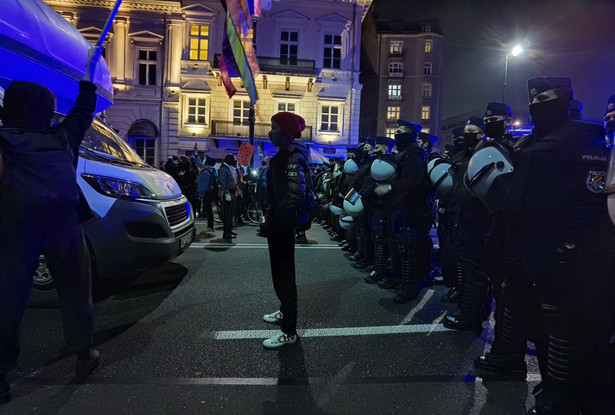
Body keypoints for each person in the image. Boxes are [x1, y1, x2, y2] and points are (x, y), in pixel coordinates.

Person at [491, 77, 615, 414]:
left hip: (559, 253)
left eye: (545, 99)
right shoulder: (531, 142)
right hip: (524, 251)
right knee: (538, 328)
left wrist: (570, 249)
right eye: (534, 100)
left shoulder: (582, 138)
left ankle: (560, 398)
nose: (537, 106)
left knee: (563, 330)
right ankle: (552, 387)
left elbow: (591, 201)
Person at [0, 46, 104, 404]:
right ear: (45, 111)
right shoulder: (61, 137)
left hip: (15, 226)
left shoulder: (3, 139)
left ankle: (1, 378)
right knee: (76, 292)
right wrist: (87, 81)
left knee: (8, 300)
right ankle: (82, 354)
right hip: (64, 222)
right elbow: (83, 111)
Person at [262, 112, 314, 349]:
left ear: (284, 131)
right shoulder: (288, 153)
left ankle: (289, 331)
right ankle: (285, 312)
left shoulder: (290, 155)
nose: (269, 132)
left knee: (284, 275)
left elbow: (295, 193)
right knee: (281, 272)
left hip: (282, 223)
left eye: (273, 127)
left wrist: (277, 219)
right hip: (280, 221)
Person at [196, 155, 218, 234]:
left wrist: (200, 195)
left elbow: (203, 185)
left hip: (207, 193)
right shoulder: (211, 170)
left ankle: (210, 227)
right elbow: (199, 164)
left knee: (208, 210)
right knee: (209, 210)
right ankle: (210, 227)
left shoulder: (205, 172)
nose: (203, 161)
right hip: (211, 192)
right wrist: (196, 155)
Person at [219, 154, 238, 240]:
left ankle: (229, 230)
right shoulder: (224, 169)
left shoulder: (231, 168)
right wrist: (226, 193)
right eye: (234, 159)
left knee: (231, 214)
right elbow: (223, 182)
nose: (235, 160)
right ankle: (226, 232)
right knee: (227, 214)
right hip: (228, 193)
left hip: (233, 192)